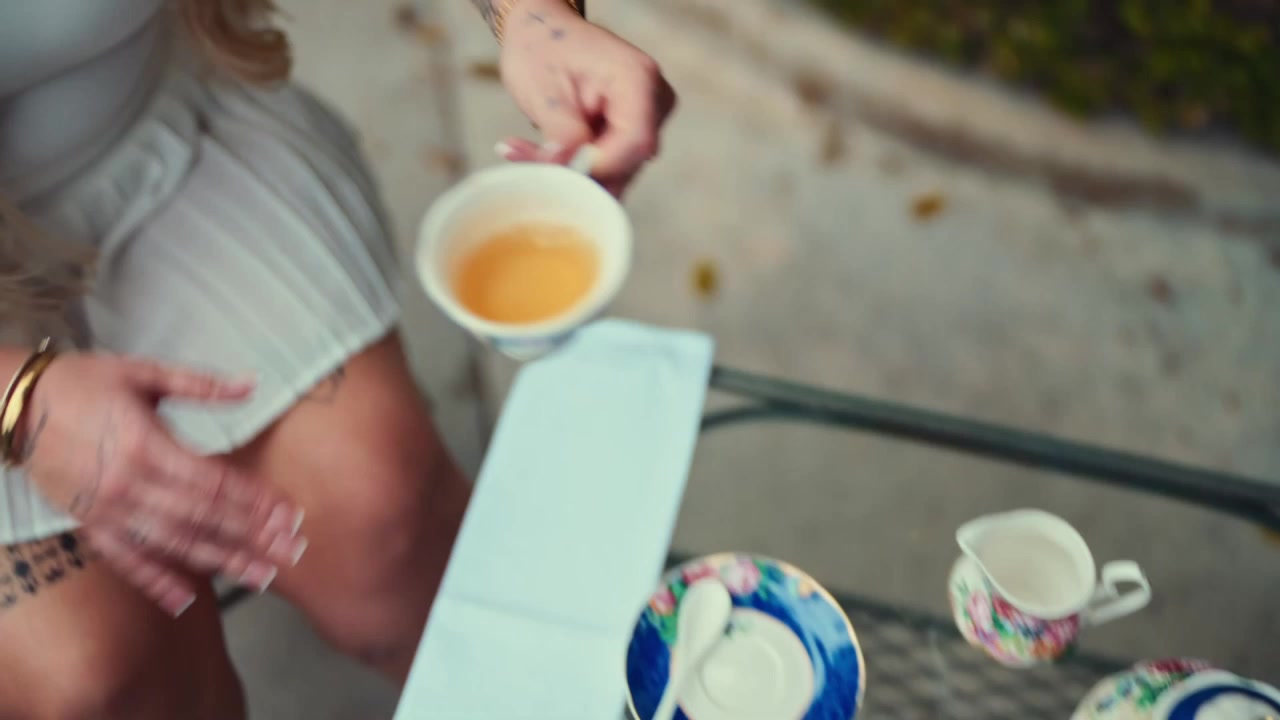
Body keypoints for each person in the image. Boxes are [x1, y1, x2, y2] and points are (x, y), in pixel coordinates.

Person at [0, 0, 675, 716]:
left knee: (384, 512)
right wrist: (23, 402)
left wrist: (536, 17)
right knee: (96, 683)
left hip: (148, 144)